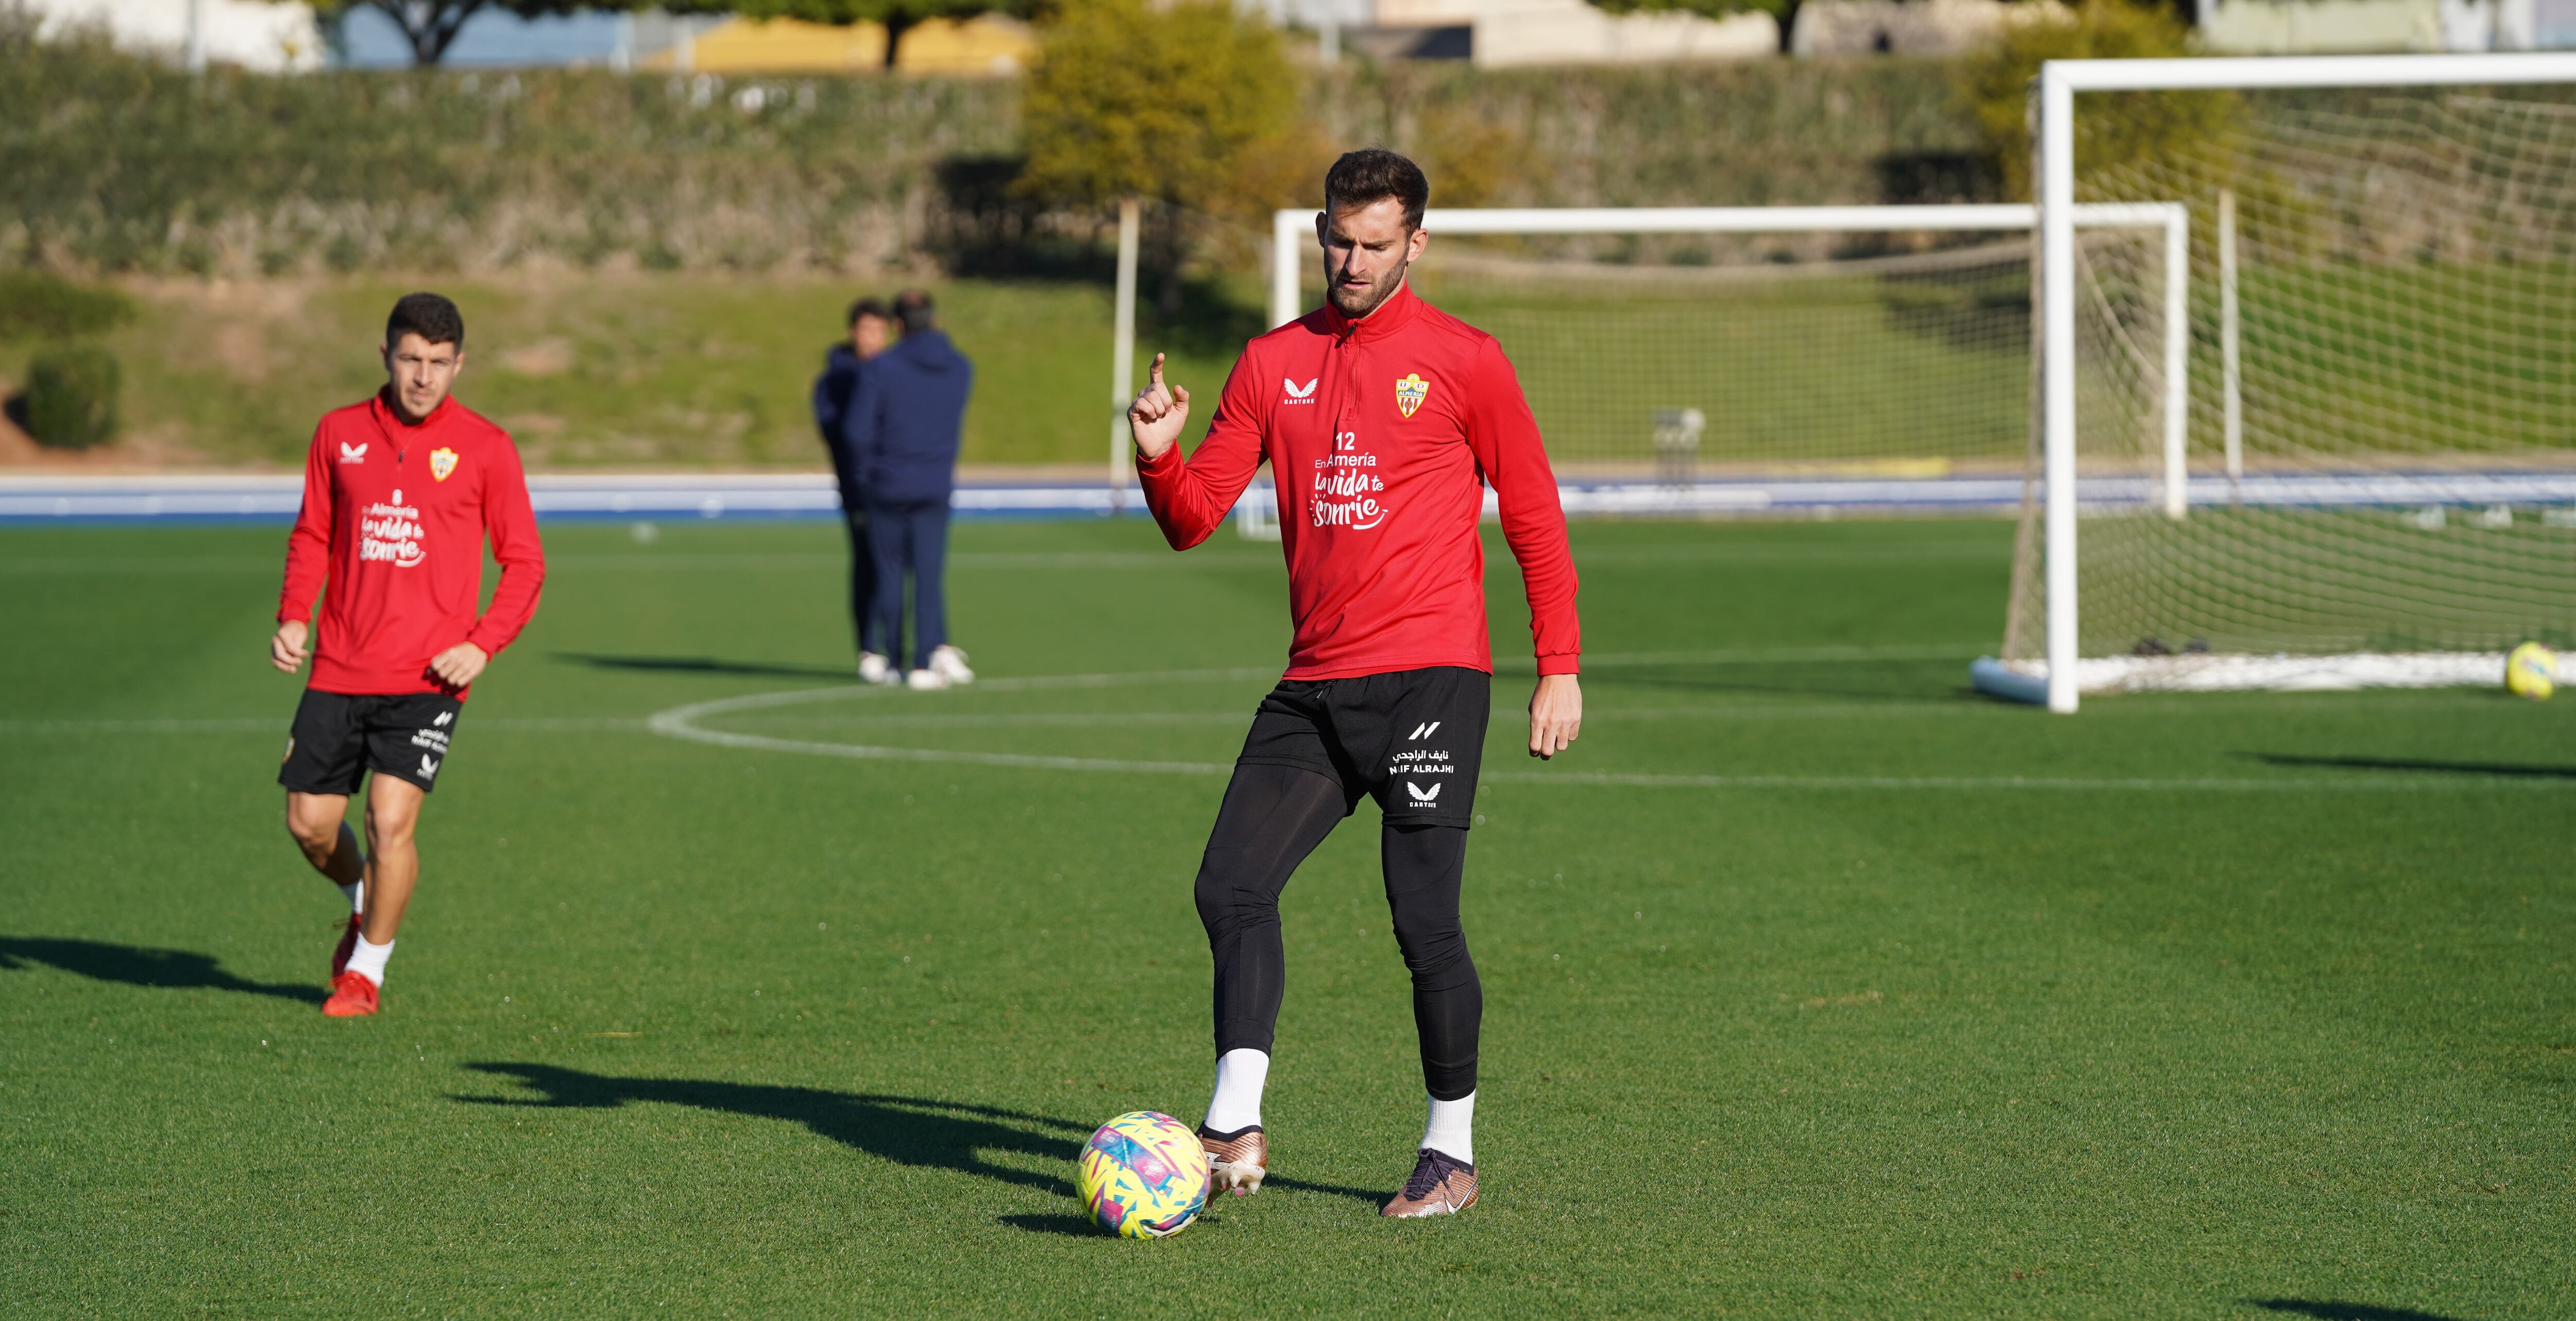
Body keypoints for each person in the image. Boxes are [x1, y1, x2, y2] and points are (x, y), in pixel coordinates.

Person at [1127, 148, 1582, 1219]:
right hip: (1317, 684)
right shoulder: (1269, 362)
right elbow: (1194, 519)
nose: (1354, 261)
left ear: (1415, 243)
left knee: (1422, 920)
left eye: (1377, 244)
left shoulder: (1466, 360)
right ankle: (1233, 1121)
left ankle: (1449, 1154)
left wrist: (1557, 666)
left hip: (1432, 678)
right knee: (1229, 885)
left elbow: (1532, 515)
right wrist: (1158, 455)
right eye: (1340, 240)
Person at [271, 292, 546, 1018]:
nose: (423, 377)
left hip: (429, 675)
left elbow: (525, 563)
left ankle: (366, 972)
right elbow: (313, 533)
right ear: (385, 356)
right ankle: (364, 900)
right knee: (310, 825)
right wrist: (294, 614)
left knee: (390, 823)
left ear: (460, 365)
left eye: (439, 363)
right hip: (340, 664)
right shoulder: (338, 433)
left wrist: (482, 644)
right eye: (411, 359)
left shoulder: (487, 447)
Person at [851, 288, 976, 690]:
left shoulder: (881, 368)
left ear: (898, 325)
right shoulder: (960, 367)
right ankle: (925, 662)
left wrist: (867, 473)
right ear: (934, 320)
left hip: (887, 483)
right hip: (935, 482)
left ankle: (893, 660)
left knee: (889, 573)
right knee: (929, 574)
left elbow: (857, 431)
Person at [811, 297, 897, 682]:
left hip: (898, 487)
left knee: (900, 567)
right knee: (867, 565)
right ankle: (869, 647)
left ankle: (904, 646)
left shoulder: (897, 374)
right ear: (852, 333)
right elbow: (838, 435)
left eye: (880, 331)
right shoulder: (835, 380)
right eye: (866, 331)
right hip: (860, 489)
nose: (873, 339)